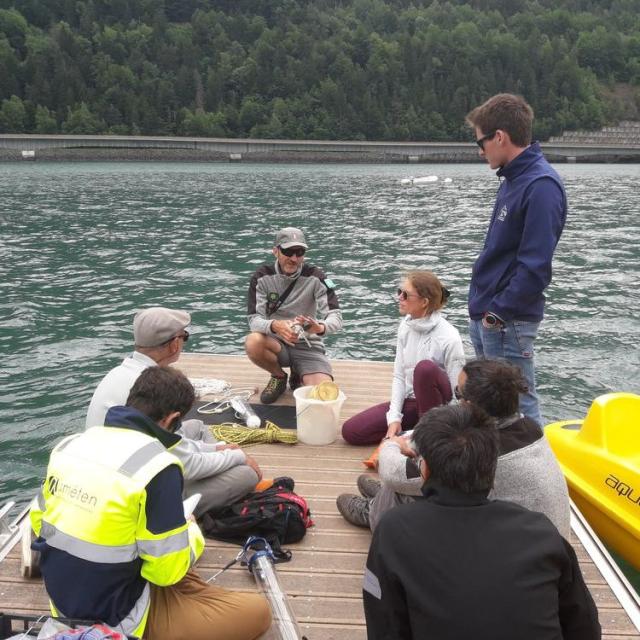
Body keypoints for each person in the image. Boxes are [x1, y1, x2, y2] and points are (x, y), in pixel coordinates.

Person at [31, 367, 271, 640]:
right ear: (173, 419)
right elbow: (165, 573)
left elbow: (39, 521)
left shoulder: (68, 446)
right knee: (258, 612)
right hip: (119, 616)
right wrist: (191, 531)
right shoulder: (158, 466)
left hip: (63, 603)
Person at [363, 404, 600, 640]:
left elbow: (385, 626)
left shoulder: (394, 530)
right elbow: (584, 625)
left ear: (425, 468)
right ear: (491, 466)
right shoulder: (541, 531)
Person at [337, 359, 570, 538]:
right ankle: (382, 499)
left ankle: (373, 512)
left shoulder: (478, 452)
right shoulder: (527, 427)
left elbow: (396, 475)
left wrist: (390, 446)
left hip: (508, 552)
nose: (455, 398)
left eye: (458, 393)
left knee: (410, 483)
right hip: (542, 537)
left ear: (470, 404)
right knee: (420, 472)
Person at [86, 306, 261, 518]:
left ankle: (213, 477)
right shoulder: (154, 389)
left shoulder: (120, 372)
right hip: (134, 488)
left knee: (196, 427)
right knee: (246, 475)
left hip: (109, 466)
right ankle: (182, 509)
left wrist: (217, 449)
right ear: (174, 344)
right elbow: (187, 466)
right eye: (184, 336)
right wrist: (237, 456)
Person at [466, 93, 567, 426]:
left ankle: (535, 475)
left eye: (481, 142)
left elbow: (535, 268)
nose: (480, 151)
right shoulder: (512, 179)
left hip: (506, 321)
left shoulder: (541, 186)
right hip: (489, 315)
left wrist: (497, 314)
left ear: (500, 137)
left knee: (520, 407)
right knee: (491, 410)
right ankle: (499, 473)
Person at [341, 270, 465, 446]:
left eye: (405, 294)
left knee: (425, 369)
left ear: (424, 302)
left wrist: (446, 427)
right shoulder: (405, 326)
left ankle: (428, 436)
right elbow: (399, 376)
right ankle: (413, 431)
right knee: (352, 431)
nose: (399, 297)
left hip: (440, 409)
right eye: (399, 292)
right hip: (413, 403)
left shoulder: (449, 337)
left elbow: (458, 395)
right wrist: (394, 418)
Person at [245, 227, 342, 404]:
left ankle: (298, 374)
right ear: (275, 251)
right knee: (253, 341)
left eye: (300, 252)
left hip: (307, 344)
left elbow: (336, 317)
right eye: (288, 252)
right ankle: (279, 376)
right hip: (276, 342)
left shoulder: (317, 277)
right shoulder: (261, 277)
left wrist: (320, 327)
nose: (294, 258)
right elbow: (254, 321)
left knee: (323, 396)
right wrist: (275, 326)